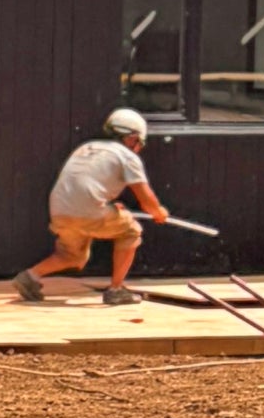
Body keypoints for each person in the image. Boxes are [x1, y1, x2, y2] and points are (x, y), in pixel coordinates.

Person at [15, 105, 175, 305]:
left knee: (72, 255)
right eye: (140, 143)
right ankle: (116, 290)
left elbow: (84, 186)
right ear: (132, 138)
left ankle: (30, 276)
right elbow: (146, 199)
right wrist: (158, 212)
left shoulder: (86, 148)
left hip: (60, 211)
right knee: (131, 231)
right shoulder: (127, 157)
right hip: (89, 211)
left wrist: (109, 207)